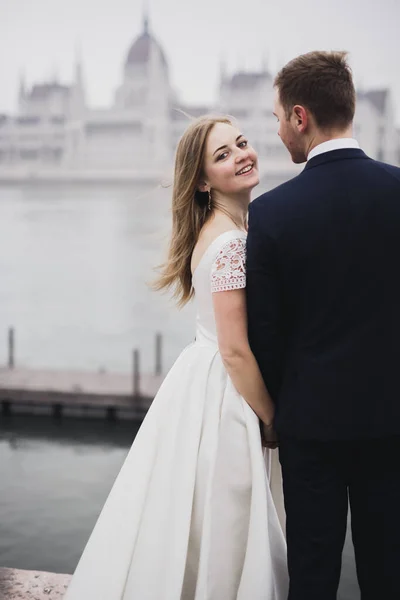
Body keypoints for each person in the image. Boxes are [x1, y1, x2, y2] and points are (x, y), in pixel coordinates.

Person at [64, 115, 288, 600]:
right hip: (225, 395)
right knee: (227, 517)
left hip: (197, 379)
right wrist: (272, 419)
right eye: (223, 154)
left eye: (242, 143)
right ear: (204, 181)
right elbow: (233, 349)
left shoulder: (221, 229)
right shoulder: (230, 242)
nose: (241, 155)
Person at [246, 50, 400, 600]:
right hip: (393, 420)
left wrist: (281, 408)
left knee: (312, 575)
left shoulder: (270, 212)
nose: (278, 129)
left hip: (311, 427)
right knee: (390, 571)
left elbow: (264, 332)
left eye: (277, 117)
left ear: (300, 117)